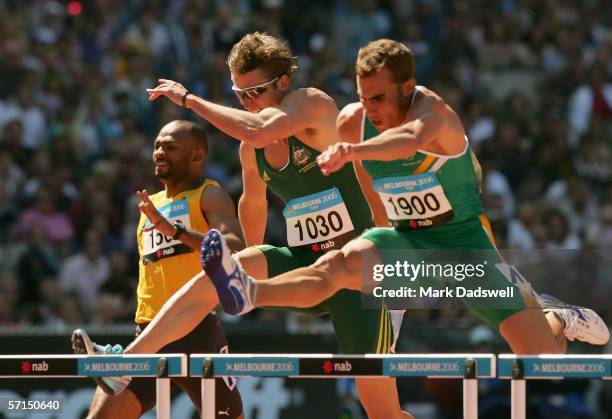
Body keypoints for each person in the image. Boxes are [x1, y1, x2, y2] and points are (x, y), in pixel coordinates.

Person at [201, 39, 610, 354]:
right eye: (363, 98)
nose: (370, 109)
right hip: (404, 241)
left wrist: (356, 150)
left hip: (461, 249)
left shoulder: (434, 113)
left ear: (407, 87)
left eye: (379, 98)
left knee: (540, 357)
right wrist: (376, 230)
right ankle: (246, 291)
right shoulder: (353, 122)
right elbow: (366, 185)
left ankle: (556, 318)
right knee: (336, 267)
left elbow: (407, 141)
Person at [79, 33, 412, 419]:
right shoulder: (250, 150)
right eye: (239, 94)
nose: (247, 103)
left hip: (365, 273)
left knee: (383, 412)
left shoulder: (312, 105)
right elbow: (252, 205)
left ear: (283, 84)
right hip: (308, 267)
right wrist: (246, 274)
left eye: (254, 92)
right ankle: (124, 364)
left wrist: (189, 100)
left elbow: (257, 129)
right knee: (214, 276)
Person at [72, 120, 244, 419]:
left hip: (196, 330)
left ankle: (119, 364)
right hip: (148, 332)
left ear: (197, 157)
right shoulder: (148, 205)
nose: (159, 153)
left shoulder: (209, 195)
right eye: (157, 146)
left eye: (171, 147)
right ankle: (120, 364)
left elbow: (235, 248)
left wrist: (177, 232)